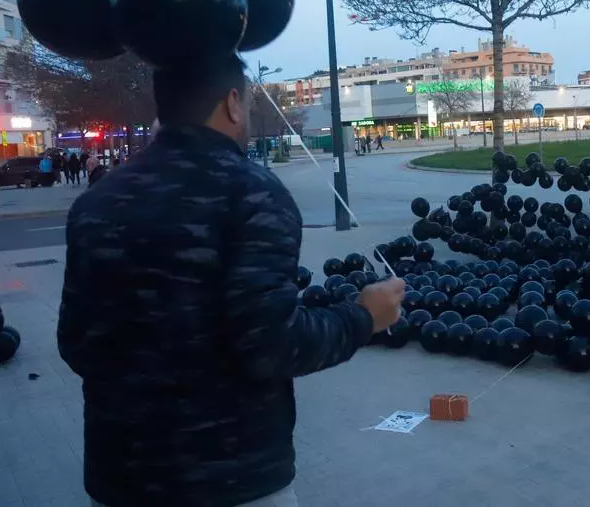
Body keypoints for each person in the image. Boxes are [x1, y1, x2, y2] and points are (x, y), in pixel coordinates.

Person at [58, 56, 402, 507]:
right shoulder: (252, 192)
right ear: (233, 102)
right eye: (249, 101)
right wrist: (362, 317)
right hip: (233, 480)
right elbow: (273, 345)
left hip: (119, 475)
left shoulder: (97, 200)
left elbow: (75, 342)